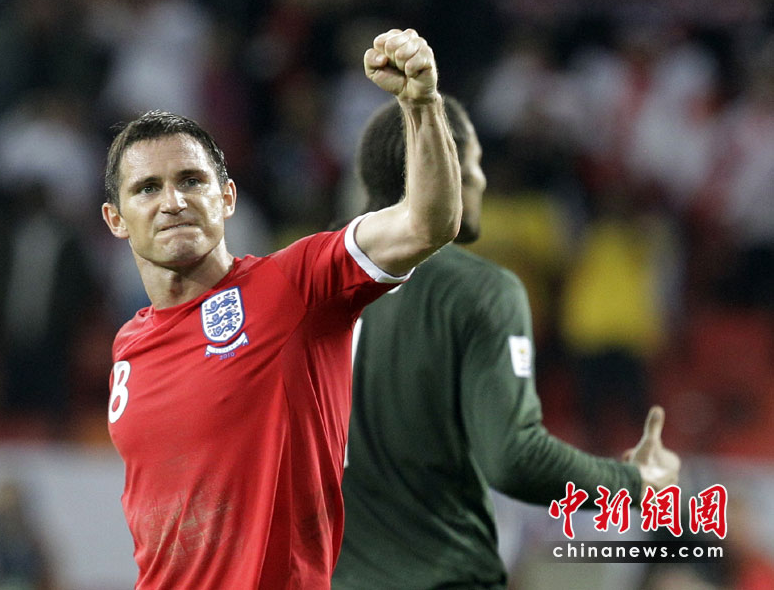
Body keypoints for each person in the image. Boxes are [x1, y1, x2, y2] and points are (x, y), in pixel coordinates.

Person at [100, 29, 462, 589]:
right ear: (116, 219)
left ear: (227, 198)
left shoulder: (294, 285)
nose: (173, 201)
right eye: (147, 188)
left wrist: (421, 105)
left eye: (191, 181)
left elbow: (425, 223)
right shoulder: (129, 345)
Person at [331, 95, 682, 589]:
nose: (481, 181)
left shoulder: (307, 280)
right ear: (440, 179)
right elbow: (512, 458)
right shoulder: (482, 290)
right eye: (470, 166)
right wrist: (632, 484)